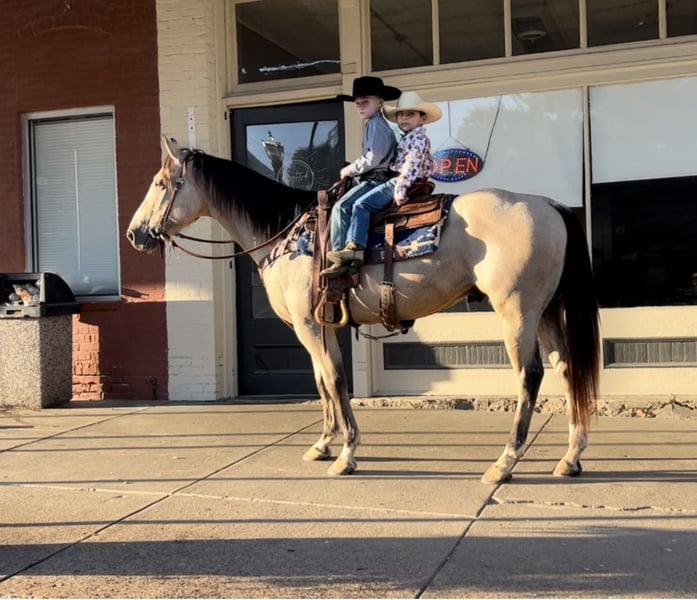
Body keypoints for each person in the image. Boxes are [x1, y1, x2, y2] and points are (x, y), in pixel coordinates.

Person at [321, 91, 442, 277]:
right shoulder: (408, 136)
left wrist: (400, 189)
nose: (404, 118)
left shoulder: (416, 138)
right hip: (398, 178)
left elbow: (410, 165)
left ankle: (353, 248)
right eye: (401, 115)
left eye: (410, 114)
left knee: (358, 205)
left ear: (422, 118)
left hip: (400, 180)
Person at [324, 76, 401, 260]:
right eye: (357, 103)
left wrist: (348, 170)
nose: (360, 106)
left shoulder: (376, 124)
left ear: (380, 102)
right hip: (375, 178)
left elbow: (373, 157)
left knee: (341, 206)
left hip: (377, 179)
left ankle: (340, 256)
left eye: (365, 102)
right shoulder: (373, 124)